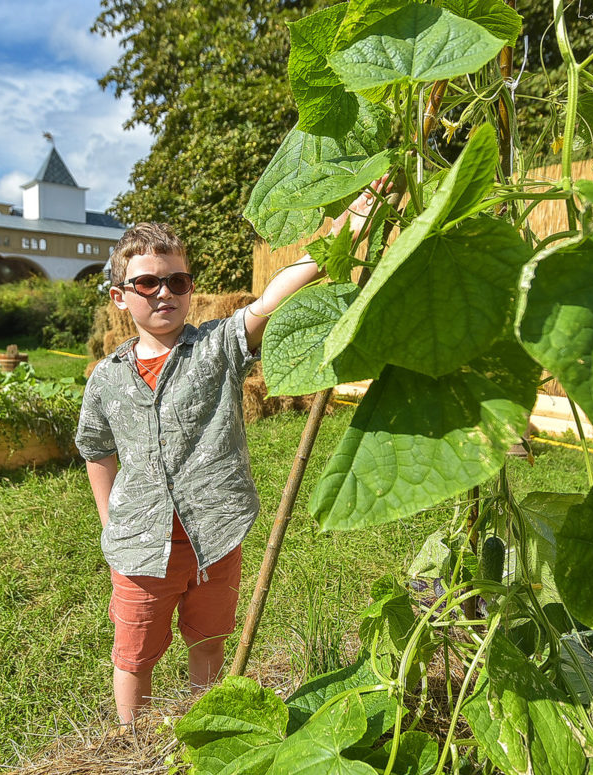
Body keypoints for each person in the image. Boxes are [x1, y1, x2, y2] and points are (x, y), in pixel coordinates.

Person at [75, 183, 384, 724]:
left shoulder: (216, 348)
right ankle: (127, 746)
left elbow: (269, 299)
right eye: (147, 282)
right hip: (138, 548)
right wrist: (109, 524)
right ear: (120, 296)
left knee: (210, 642)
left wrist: (344, 230)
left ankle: (207, 728)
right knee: (134, 656)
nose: (164, 292)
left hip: (215, 536)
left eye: (178, 281)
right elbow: (97, 450)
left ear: (191, 289)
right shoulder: (106, 379)